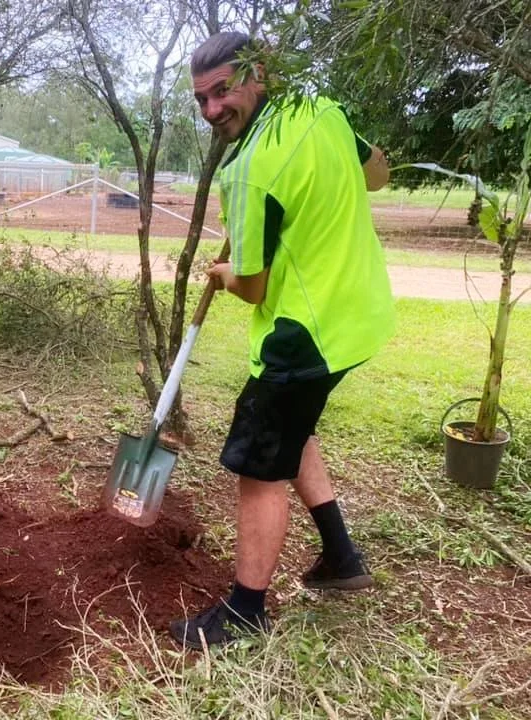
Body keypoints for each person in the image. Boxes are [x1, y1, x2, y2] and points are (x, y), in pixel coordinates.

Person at [169, 32, 395, 648]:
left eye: (224, 91)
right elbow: (378, 173)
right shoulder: (319, 109)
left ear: (259, 73)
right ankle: (342, 557)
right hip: (361, 315)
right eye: (202, 100)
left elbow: (253, 286)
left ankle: (245, 614)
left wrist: (221, 273)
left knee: (259, 466)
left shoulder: (245, 171)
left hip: (305, 336)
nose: (214, 110)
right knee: (296, 433)